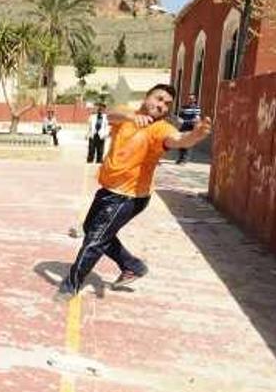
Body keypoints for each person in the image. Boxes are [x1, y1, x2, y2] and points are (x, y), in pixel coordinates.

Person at [55, 84, 212, 302]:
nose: (162, 105)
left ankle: (70, 286)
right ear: (146, 97)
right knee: (94, 230)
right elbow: (111, 113)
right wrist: (131, 116)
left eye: (167, 104)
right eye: (159, 99)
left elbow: (177, 139)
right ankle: (133, 266)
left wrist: (194, 136)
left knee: (94, 240)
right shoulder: (126, 116)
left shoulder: (161, 129)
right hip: (108, 190)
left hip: (129, 196)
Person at [176, 94, 202, 165]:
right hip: (183, 128)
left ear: (195, 100)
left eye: (192, 99)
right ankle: (180, 158)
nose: (190, 100)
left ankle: (184, 160)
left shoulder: (197, 108)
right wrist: (180, 121)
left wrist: (185, 121)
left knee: (187, 144)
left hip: (191, 128)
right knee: (180, 143)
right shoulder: (183, 107)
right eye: (189, 99)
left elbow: (196, 119)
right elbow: (180, 117)